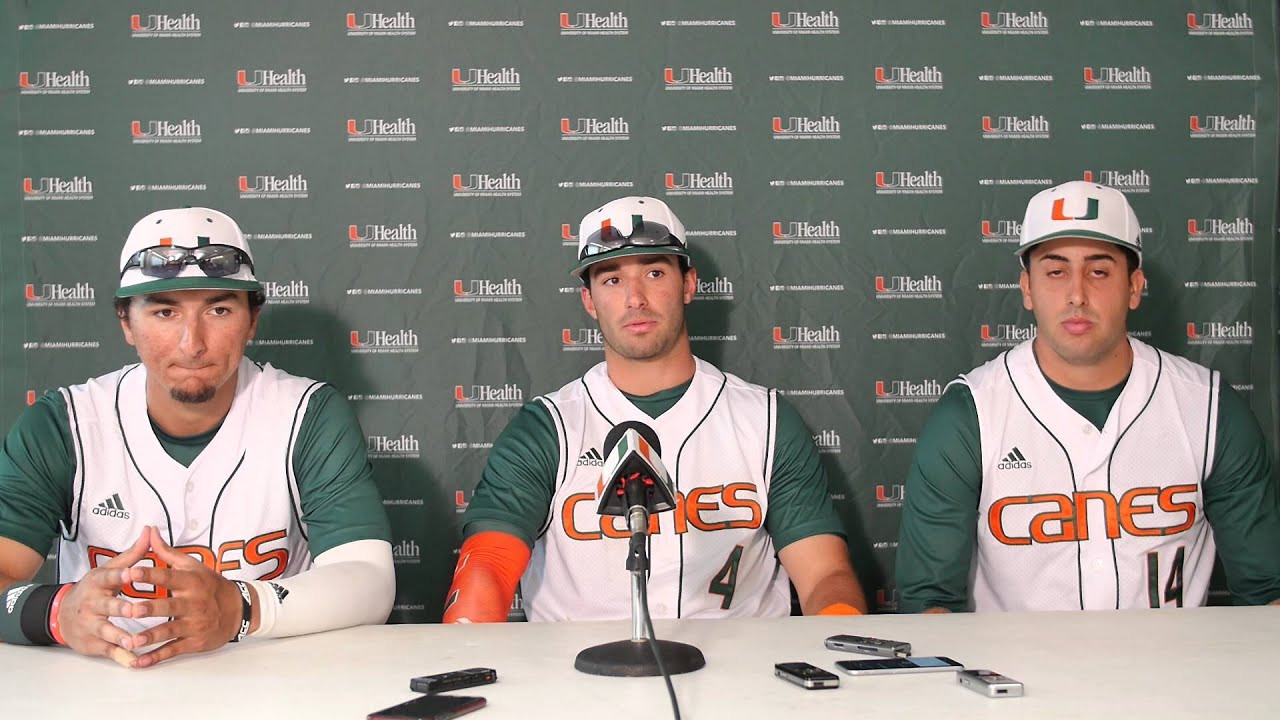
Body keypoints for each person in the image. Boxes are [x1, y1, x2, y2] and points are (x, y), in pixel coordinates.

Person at [0, 207, 394, 668]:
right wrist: (56, 613)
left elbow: (370, 580)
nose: (193, 343)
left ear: (252, 320)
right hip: (107, 691)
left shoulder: (306, 414)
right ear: (126, 321)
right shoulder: (64, 424)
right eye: (165, 311)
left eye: (219, 309)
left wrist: (242, 608)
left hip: (273, 688)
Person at [443, 196, 866, 622]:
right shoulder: (548, 428)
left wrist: (839, 634)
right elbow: (487, 568)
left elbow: (825, 574)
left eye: (654, 272)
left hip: (742, 676)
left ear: (688, 284)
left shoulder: (766, 421)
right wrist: (467, 647)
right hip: (576, 679)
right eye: (611, 280)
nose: (635, 298)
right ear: (589, 301)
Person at [896, 181, 1280, 612]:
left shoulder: (1207, 407)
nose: (1077, 294)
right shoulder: (972, 414)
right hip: (1015, 674)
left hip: (1173, 674)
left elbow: (1268, 593)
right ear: (1027, 288)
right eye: (1055, 271)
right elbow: (927, 607)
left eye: (1099, 271)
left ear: (1134, 287)